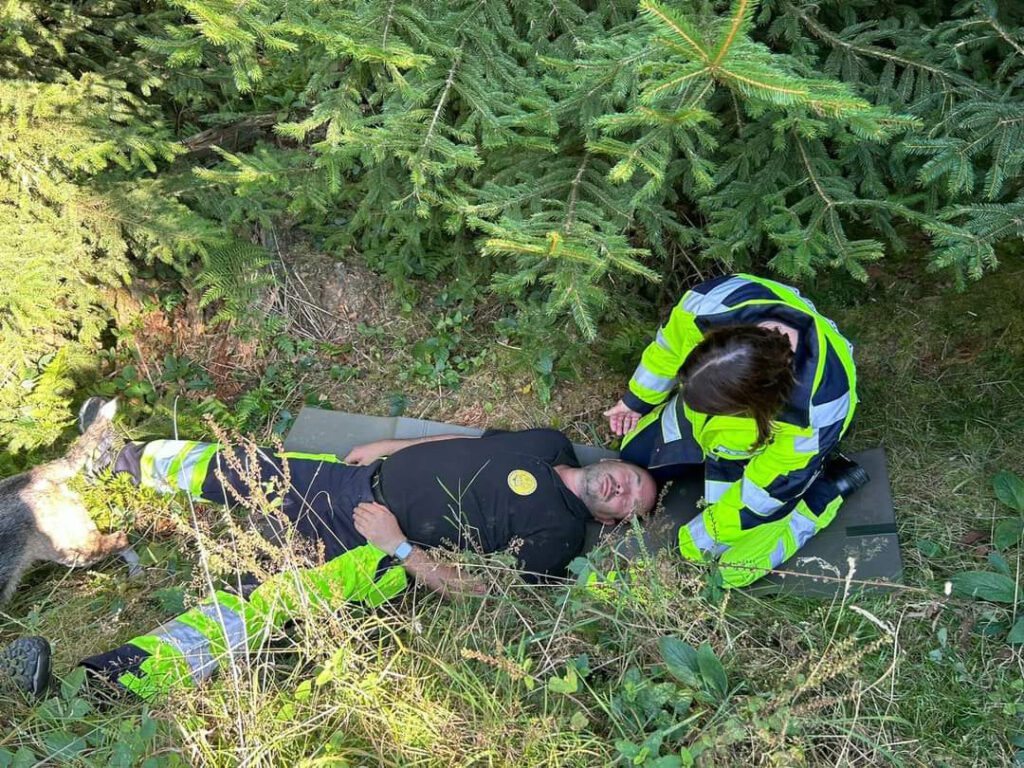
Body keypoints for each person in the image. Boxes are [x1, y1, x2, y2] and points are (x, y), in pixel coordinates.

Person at [0, 401, 657, 699]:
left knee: (251, 614)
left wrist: (400, 551)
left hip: (372, 548)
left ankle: (86, 689)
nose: (627, 487)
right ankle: (116, 459)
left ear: (618, 520)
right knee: (237, 467)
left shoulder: (561, 536)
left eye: (635, 501)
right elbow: (464, 444)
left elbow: (486, 589)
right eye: (634, 478)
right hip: (353, 478)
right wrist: (389, 449)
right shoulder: (548, 444)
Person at [603, 273, 868, 588]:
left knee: (727, 569)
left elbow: (758, 497)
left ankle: (822, 494)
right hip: (721, 425)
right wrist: (635, 401)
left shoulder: (814, 413)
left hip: (763, 453)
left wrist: (695, 540)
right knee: (633, 452)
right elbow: (668, 348)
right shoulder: (708, 304)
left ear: (753, 407)